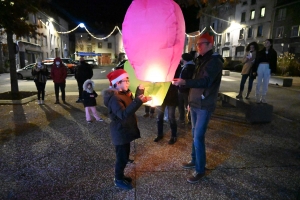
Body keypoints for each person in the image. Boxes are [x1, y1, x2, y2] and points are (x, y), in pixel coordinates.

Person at [172, 32, 223, 183]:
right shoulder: (201, 60)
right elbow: (196, 81)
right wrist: (189, 100)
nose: (199, 47)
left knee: (198, 137)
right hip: (195, 103)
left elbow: (205, 81)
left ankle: (200, 170)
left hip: (204, 105)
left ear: (210, 45)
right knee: (194, 135)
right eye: (198, 44)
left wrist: (184, 82)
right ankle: (194, 161)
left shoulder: (214, 62)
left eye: (202, 44)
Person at [103, 69, 151, 190]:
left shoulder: (124, 94)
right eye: (126, 80)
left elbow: (132, 104)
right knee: (122, 158)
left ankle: (121, 176)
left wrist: (140, 91)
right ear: (117, 83)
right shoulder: (115, 98)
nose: (128, 83)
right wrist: (139, 100)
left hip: (124, 131)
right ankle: (118, 179)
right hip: (120, 132)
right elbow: (123, 114)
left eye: (128, 80)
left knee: (124, 156)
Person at [252, 39, 277, 103]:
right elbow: (256, 61)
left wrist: (273, 71)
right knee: (258, 82)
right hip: (260, 66)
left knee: (266, 82)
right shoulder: (260, 52)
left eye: (267, 42)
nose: (266, 43)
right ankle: (257, 96)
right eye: (265, 42)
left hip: (268, 67)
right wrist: (254, 70)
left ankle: (263, 97)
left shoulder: (273, 52)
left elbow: (274, 62)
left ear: (270, 44)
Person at [175, 53, 195, 124]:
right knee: (181, 104)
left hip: (185, 89)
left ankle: (189, 119)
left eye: (181, 58)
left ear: (184, 59)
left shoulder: (189, 67)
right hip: (182, 88)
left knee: (187, 105)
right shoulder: (186, 66)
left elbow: (188, 78)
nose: (180, 59)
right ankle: (182, 118)